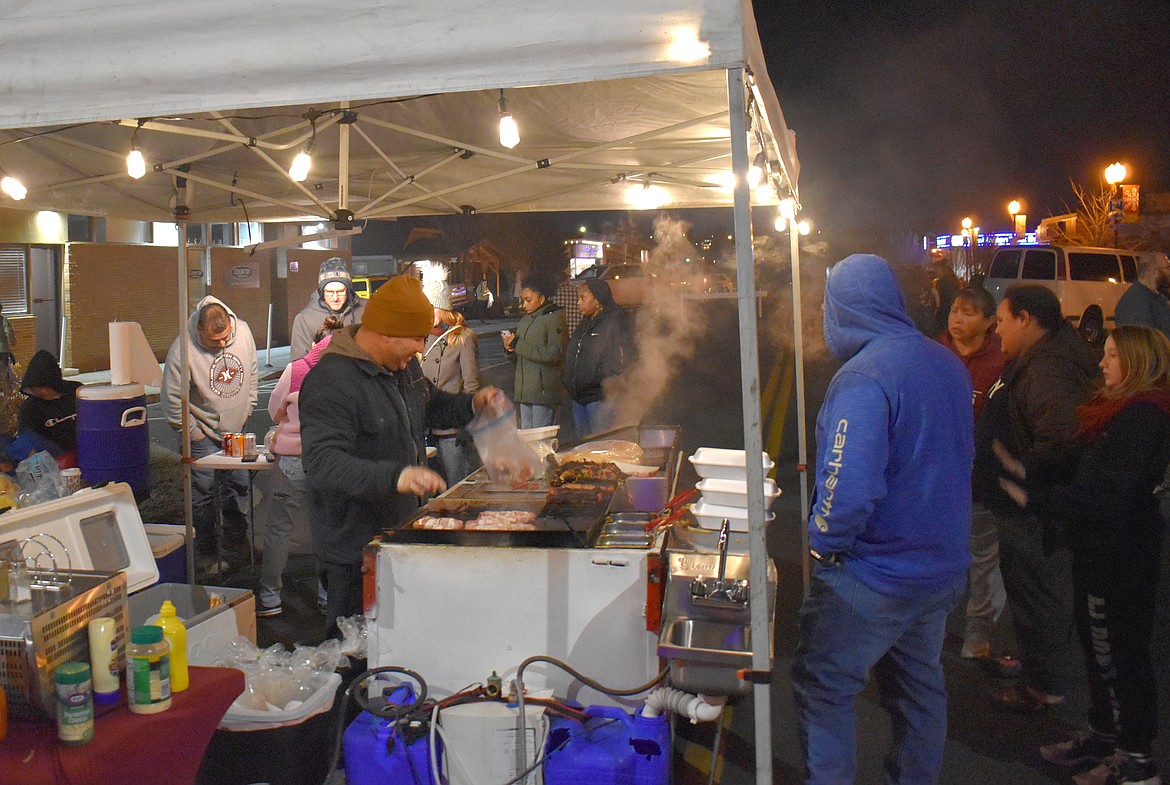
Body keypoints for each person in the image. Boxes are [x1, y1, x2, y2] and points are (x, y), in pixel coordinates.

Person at [791, 254, 973, 785]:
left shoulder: (864, 377)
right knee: (919, 691)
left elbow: (848, 489)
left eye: (828, 305)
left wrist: (824, 538)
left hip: (873, 575)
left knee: (823, 683)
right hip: (940, 569)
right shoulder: (945, 363)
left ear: (846, 308)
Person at [997, 325, 1170, 785]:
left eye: (1112, 355)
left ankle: (1134, 757)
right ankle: (1105, 734)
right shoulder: (1119, 411)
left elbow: (1105, 490)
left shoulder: (1142, 417)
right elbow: (1079, 463)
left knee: (1118, 651)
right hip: (1103, 549)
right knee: (1102, 649)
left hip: (1120, 555)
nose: (1101, 362)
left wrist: (1036, 500)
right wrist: (1030, 471)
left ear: (1135, 362)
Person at [300, 275, 500, 639]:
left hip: (400, 532)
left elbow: (433, 406)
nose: (422, 348)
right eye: (417, 338)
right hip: (354, 551)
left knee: (401, 645)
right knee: (356, 656)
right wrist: (396, 477)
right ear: (387, 333)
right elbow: (322, 462)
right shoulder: (331, 382)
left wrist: (472, 404)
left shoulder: (403, 368)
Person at [974, 284, 1101, 712]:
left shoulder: (1049, 369)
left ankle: (1045, 688)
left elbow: (1063, 441)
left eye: (1004, 320)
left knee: (1040, 597)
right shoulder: (1040, 359)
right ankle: (1038, 673)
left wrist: (1017, 472)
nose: (997, 329)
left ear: (1026, 319)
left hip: (1035, 510)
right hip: (1027, 505)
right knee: (1034, 595)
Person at [936, 286, 1009, 661]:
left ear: (989, 321)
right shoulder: (935, 353)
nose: (957, 319)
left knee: (984, 565)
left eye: (967, 313)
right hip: (937, 484)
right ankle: (932, 630)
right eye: (953, 310)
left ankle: (977, 637)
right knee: (940, 557)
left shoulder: (1002, 360)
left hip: (981, 484)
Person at [161, 296, 259, 575]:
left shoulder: (244, 331)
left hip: (236, 430)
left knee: (239, 486)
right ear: (201, 330)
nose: (223, 345)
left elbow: (251, 370)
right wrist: (195, 435)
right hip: (203, 433)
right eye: (215, 340)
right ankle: (206, 553)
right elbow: (172, 402)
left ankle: (237, 541)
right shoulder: (183, 349)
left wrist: (249, 404)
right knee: (203, 496)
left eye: (226, 337)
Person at [257, 315, 343, 618]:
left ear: (313, 343)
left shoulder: (296, 370)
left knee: (279, 529)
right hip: (331, 459)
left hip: (292, 459)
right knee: (327, 529)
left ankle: (270, 598)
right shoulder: (347, 372)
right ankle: (326, 597)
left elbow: (273, 410)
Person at [420, 287, 481, 486]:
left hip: (452, 430)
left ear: (442, 308)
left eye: (430, 308)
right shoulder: (424, 337)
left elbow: (471, 385)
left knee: (456, 484)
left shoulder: (462, 337)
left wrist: (466, 424)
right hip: (428, 428)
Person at [562, 278, 631, 437]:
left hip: (599, 398)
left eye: (583, 298)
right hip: (579, 398)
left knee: (601, 446)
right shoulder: (585, 322)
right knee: (583, 448)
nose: (578, 303)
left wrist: (604, 380)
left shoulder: (615, 320)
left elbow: (625, 356)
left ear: (598, 300)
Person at [504, 270, 564, 429]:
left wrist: (519, 345)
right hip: (526, 392)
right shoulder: (526, 320)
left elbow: (554, 354)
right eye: (522, 300)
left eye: (528, 300)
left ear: (541, 298)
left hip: (543, 393)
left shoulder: (554, 318)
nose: (524, 305)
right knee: (529, 442)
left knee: (542, 442)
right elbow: (522, 354)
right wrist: (511, 350)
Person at [290, 257, 366, 361]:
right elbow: (299, 365)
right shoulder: (305, 319)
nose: (335, 298)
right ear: (321, 292)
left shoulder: (367, 311)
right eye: (329, 292)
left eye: (340, 291)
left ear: (348, 290)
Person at [17, 350, 82, 463]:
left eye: (45, 387)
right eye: (37, 389)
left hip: (83, 447)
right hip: (54, 457)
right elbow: (27, 440)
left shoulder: (76, 391)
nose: (42, 392)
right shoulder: (30, 407)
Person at [1114, 253, 1170, 338]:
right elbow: (1143, 344)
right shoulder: (1133, 304)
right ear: (1154, 272)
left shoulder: (1159, 298)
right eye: (1167, 268)